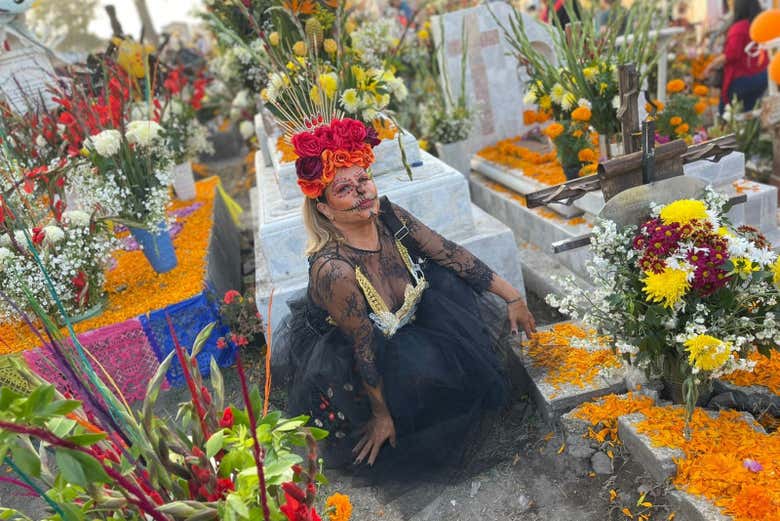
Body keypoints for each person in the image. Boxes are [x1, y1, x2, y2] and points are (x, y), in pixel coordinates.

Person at [277, 116, 536, 473]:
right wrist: (382, 415)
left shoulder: (390, 216)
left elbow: (450, 253)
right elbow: (362, 348)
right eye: (343, 189)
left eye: (363, 179)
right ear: (325, 209)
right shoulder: (334, 270)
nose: (361, 192)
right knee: (418, 371)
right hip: (359, 362)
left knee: (444, 285)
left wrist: (512, 297)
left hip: (405, 326)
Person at [702, 0, 768, 113]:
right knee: (751, 113)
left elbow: (731, 55)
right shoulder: (760, 25)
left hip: (742, 78)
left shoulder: (739, 28)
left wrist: (710, 66)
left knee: (726, 114)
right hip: (761, 76)